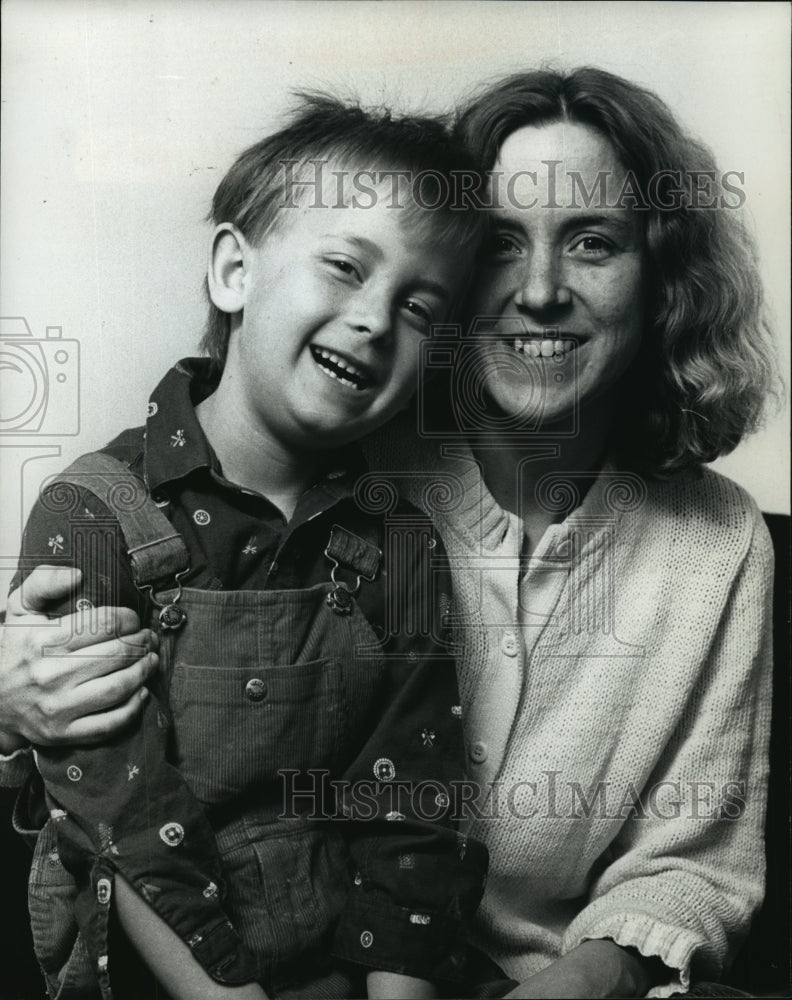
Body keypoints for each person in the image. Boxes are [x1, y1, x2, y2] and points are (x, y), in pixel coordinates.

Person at [1, 67, 778, 999]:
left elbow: (696, 867)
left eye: (594, 242)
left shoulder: (717, 541)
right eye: (498, 245)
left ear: (660, 280)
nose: (539, 290)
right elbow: (110, 760)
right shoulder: (346, 452)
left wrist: (579, 983)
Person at [0, 95, 491, 1000]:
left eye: (419, 308)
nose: (376, 321)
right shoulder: (95, 510)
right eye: (345, 267)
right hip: (158, 975)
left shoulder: (403, 545)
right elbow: (117, 804)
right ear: (234, 270)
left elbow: (412, 810)